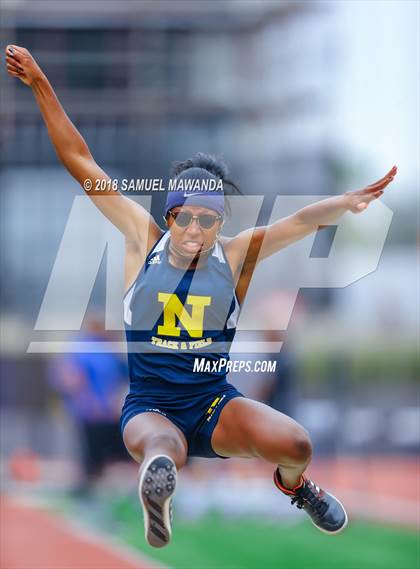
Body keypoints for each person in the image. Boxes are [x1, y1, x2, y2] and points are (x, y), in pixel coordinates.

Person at [5, 45, 397, 548]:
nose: (194, 229)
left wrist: (345, 202)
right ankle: (158, 495)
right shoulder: (141, 240)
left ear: (220, 222)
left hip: (214, 405)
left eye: (207, 219)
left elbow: (298, 221)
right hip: (150, 406)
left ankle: (294, 487)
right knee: (164, 452)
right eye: (184, 217)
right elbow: (79, 159)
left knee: (297, 443)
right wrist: (40, 83)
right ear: (169, 217)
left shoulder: (235, 257)